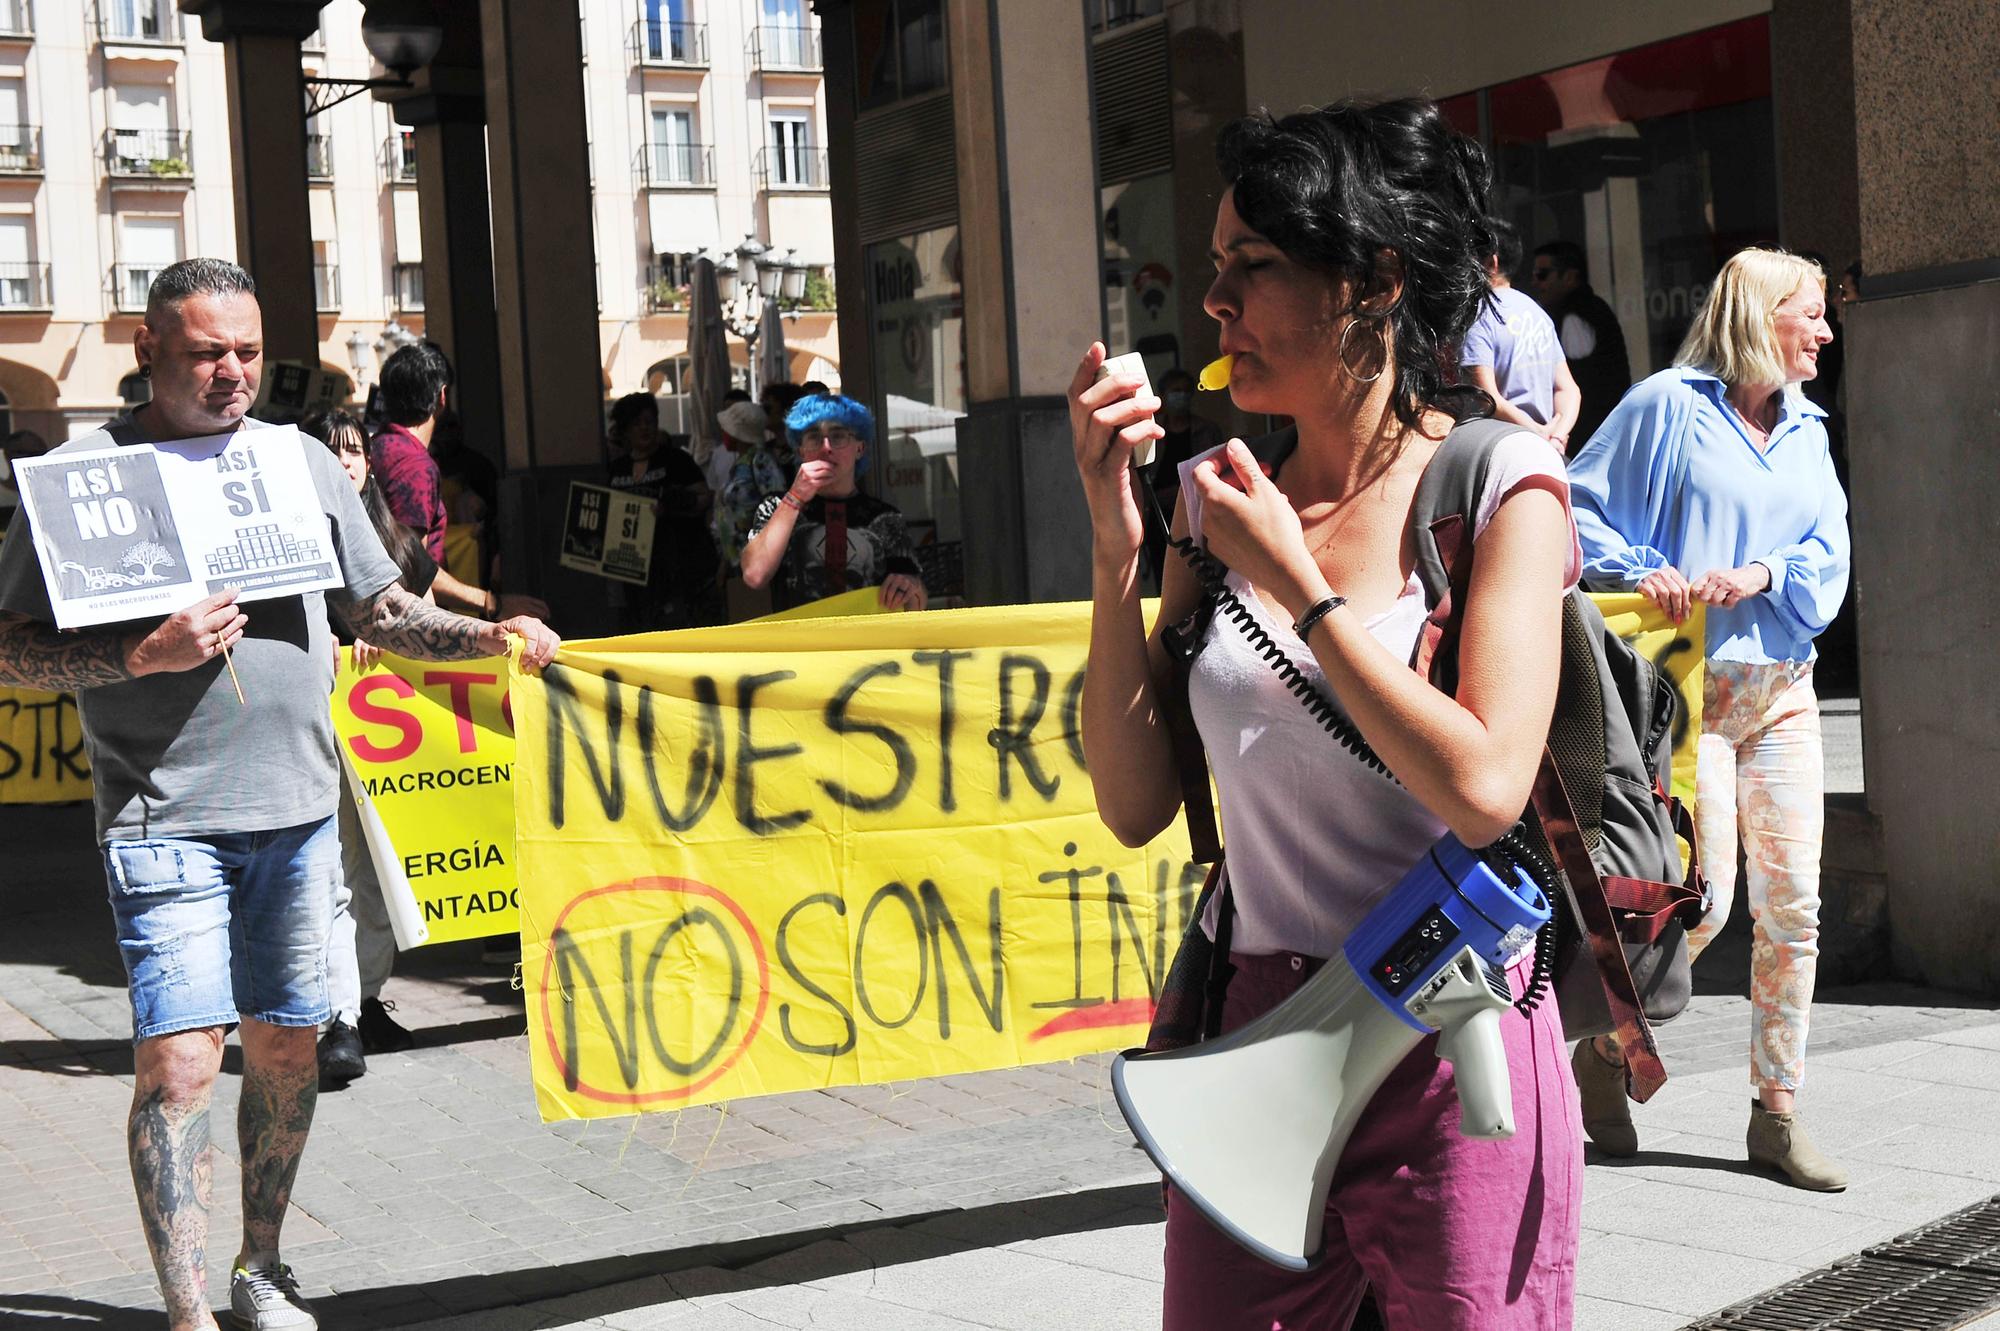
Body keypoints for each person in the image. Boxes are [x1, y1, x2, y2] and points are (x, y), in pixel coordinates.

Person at [1070, 101, 1580, 1328]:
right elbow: (1134, 804)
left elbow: (1484, 785)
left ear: (1373, 281)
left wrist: (1297, 587)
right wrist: (1115, 553)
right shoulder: (1219, 502)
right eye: (1214, 272)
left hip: (1452, 1039)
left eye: (1254, 268)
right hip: (1258, 1029)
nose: (1215, 306)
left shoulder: (1498, 487)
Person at [0, 259, 560, 1331]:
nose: (232, 372)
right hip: (161, 818)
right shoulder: (81, 477)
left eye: (247, 350)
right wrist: (139, 654)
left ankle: (261, 1267)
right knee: (177, 1062)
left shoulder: (300, 461)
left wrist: (488, 636)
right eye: (208, 350)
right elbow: (12, 650)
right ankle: (187, 1310)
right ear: (147, 349)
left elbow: (380, 608)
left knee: (291, 1045)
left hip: (299, 813)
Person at [1567, 246, 1849, 1192]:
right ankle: (1608, 1054)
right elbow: (1572, 506)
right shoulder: (1667, 407)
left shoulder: (1808, 425)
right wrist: (1645, 564)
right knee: (1706, 902)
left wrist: (1767, 572)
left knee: (1796, 909)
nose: (1824, 330)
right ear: (1760, 316)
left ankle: (1777, 1113)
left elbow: (1828, 551)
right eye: (1808, 312)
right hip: (1687, 697)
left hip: (1783, 691)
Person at [299, 406, 436, 1089]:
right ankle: (334, 1014)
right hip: (322, 739)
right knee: (336, 874)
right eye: (330, 452)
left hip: (394, 744)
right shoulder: (291, 546)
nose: (344, 464)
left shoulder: (402, 546)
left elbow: (424, 622)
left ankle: (367, 999)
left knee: (379, 875)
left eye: (352, 452)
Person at [371, 343, 549, 623]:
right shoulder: (414, 466)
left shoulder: (376, 449)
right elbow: (413, 569)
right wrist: (492, 603)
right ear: (443, 397)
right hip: (403, 625)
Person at [741, 394, 929, 612]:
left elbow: (916, 598)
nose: (826, 447)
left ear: (860, 448)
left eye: (838, 436)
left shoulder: (884, 518)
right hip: (798, 642)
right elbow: (754, 575)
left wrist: (912, 586)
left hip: (865, 643)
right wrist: (794, 499)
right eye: (814, 437)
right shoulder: (776, 506)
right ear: (801, 451)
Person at [1460, 219, 1580, 452]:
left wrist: (1537, 432)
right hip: (1546, 451)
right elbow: (1569, 389)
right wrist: (1556, 435)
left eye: (1468, 259)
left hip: (1501, 448)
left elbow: (1486, 397)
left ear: (1491, 263)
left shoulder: (1478, 314)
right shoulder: (1537, 313)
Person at [604, 391, 718, 630]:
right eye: (637, 423)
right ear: (625, 429)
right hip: (630, 571)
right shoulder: (616, 469)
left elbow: (704, 497)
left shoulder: (677, 460)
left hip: (676, 566)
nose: (645, 428)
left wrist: (675, 506)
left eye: (650, 422)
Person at [1530, 239, 1631, 447]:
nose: (1536, 283)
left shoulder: (1575, 316)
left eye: (1543, 275)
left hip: (1589, 438)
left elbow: (1581, 382)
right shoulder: (1590, 309)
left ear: (1570, 277)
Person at [1141, 366, 1226, 580]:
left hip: (1197, 514)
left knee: (1198, 576)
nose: (1181, 396)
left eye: (1185, 391)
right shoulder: (1152, 432)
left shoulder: (1207, 431)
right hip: (1160, 517)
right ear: (1163, 396)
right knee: (1165, 575)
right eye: (1175, 391)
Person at [708, 399, 779, 564]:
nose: (723, 432)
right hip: (738, 556)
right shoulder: (742, 463)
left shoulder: (761, 461)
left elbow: (776, 505)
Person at [0, 427, 48, 533]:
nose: (30, 459)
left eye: (39, 454)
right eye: (22, 453)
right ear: (7, 455)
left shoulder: (50, 497)